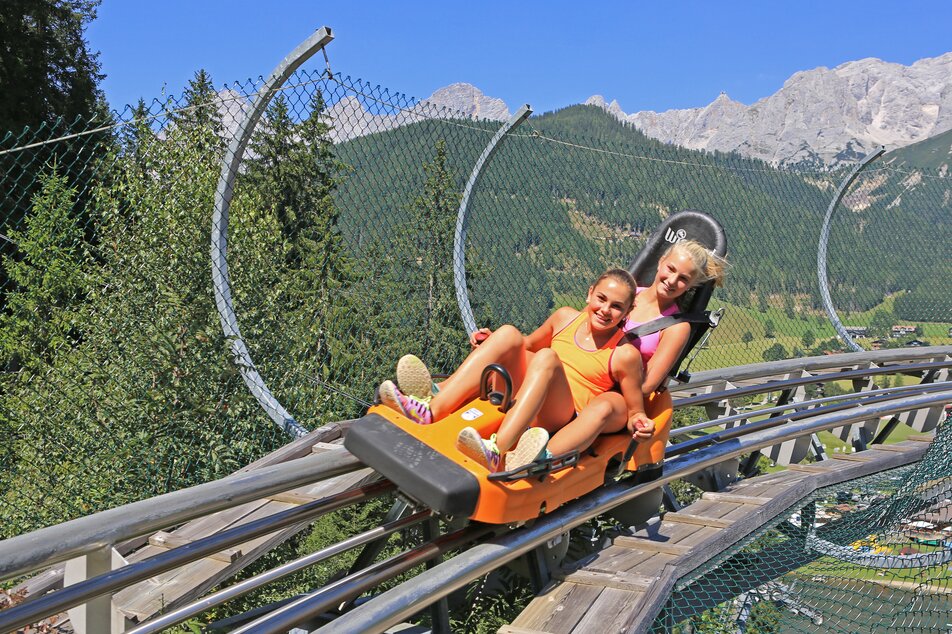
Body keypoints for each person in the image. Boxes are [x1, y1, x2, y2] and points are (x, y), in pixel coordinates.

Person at [377, 268, 653, 473]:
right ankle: (432, 407)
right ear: (590, 292)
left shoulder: (624, 354)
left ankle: (499, 450)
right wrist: (493, 341)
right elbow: (524, 345)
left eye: (616, 307)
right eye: (601, 298)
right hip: (524, 393)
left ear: (627, 313)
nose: (605, 310)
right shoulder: (565, 317)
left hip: (560, 416)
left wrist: (640, 423)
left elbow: (634, 409)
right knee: (509, 333)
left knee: (546, 357)